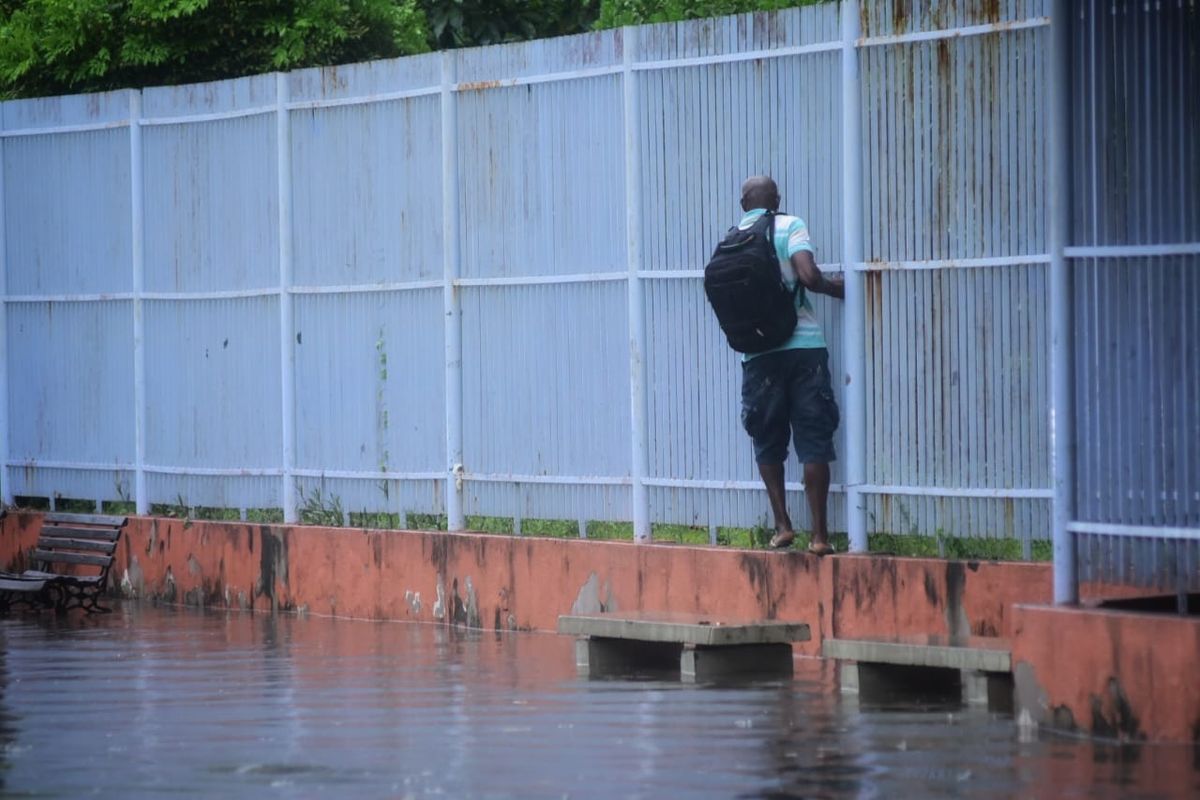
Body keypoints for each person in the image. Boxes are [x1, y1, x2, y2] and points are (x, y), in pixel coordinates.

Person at [735, 175, 843, 555]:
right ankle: (819, 536)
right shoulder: (789, 224)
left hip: (757, 354)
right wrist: (839, 289)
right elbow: (809, 276)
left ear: (744, 203)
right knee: (813, 435)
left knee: (767, 438)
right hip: (804, 348)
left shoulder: (732, 239)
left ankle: (782, 525)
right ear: (776, 199)